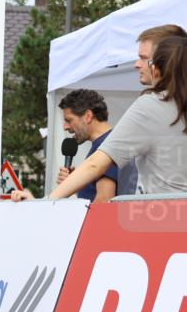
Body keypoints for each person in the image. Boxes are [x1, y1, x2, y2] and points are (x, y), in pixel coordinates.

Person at [30, 36, 187, 199]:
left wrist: (46, 203)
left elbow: (95, 166)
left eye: (149, 62)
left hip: (164, 217)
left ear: (157, 69)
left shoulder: (152, 106)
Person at [54, 89, 120, 203]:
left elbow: (104, 199)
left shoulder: (106, 147)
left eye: (69, 120)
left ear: (88, 116)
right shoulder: (106, 142)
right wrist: (76, 182)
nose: (65, 127)